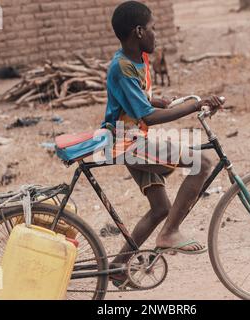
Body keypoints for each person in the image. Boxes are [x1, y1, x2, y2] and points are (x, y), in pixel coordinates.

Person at [101, 1, 225, 287]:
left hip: (132, 139)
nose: (158, 34)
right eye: (154, 28)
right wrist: (195, 104)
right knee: (202, 162)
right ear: (139, 31)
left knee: (160, 208)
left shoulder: (137, 59)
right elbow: (148, 116)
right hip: (126, 142)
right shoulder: (121, 67)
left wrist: (156, 99)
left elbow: (137, 101)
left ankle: (118, 268)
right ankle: (170, 233)